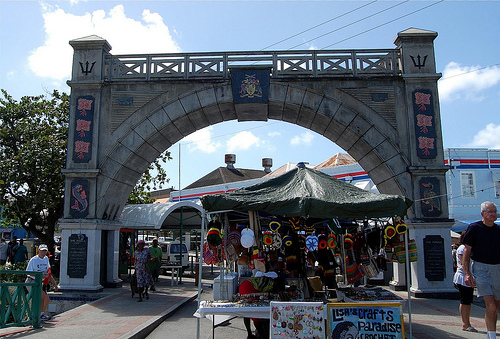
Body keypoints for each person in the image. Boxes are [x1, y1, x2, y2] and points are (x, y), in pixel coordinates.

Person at [463, 201, 500, 339]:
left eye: (495, 211)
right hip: (481, 268)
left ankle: (491, 333)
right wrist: (467, 273)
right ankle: (492, 337)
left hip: (497, 268)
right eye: (490, 211)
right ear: (482, 214)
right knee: (490, 305)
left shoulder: (498, 230)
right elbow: (467, 251)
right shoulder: (474, 228)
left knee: (495, 306)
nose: (493, 214)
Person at [25, 244, 58, 321]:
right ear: (38, 251)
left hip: (39, 282)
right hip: (31, 281)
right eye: (42, 251)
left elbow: (49, 274)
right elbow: (28, 272)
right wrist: (41, 275)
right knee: (40, 297)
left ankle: (39, 314)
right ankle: (32, 317)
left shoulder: (46, 259)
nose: (43, 253)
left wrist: (55, 284)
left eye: (45, 251)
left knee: (45, 298)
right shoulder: (34, 260)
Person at [453, 231, 477, 332]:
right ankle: (465, 323)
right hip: (462, 277)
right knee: (465, 300)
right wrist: (469, 274)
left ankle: (466, 322)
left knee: (468, 300)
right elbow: (463, 263)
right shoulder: (463, 248)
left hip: (467, 276)